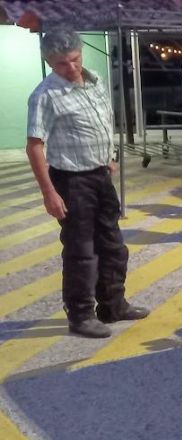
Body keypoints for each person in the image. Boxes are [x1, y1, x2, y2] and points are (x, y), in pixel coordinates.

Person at [26, 28, 149, 339]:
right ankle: (81, 315)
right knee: (81, 251)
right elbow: (35, 146)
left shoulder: (95, 82)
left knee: (113, 244)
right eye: (61, 63)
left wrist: (109, 156)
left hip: (100, 176)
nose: (71, 67)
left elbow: (102, 122)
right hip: (71, 180)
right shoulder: (45, 95)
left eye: (75, 59)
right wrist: (49, 193)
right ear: (49, 62)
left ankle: (113, 305)